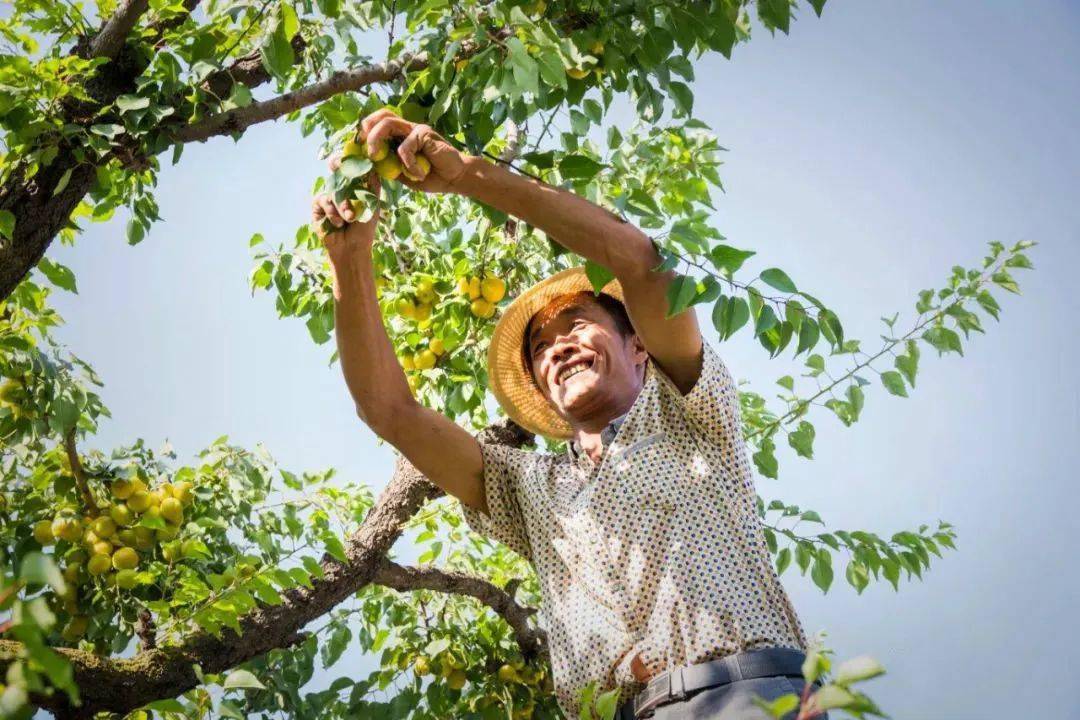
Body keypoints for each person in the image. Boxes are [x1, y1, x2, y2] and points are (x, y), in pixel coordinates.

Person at [312, 109, 823, 719]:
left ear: (639, 347)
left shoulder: (689, 416)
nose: (557, 345)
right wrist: (349, 256)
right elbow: (389, 410)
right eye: (539, 347)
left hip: (744, 696)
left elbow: (641, 263)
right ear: (541, 389)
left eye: (578, 323)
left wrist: (470, 176)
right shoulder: (530, 487)